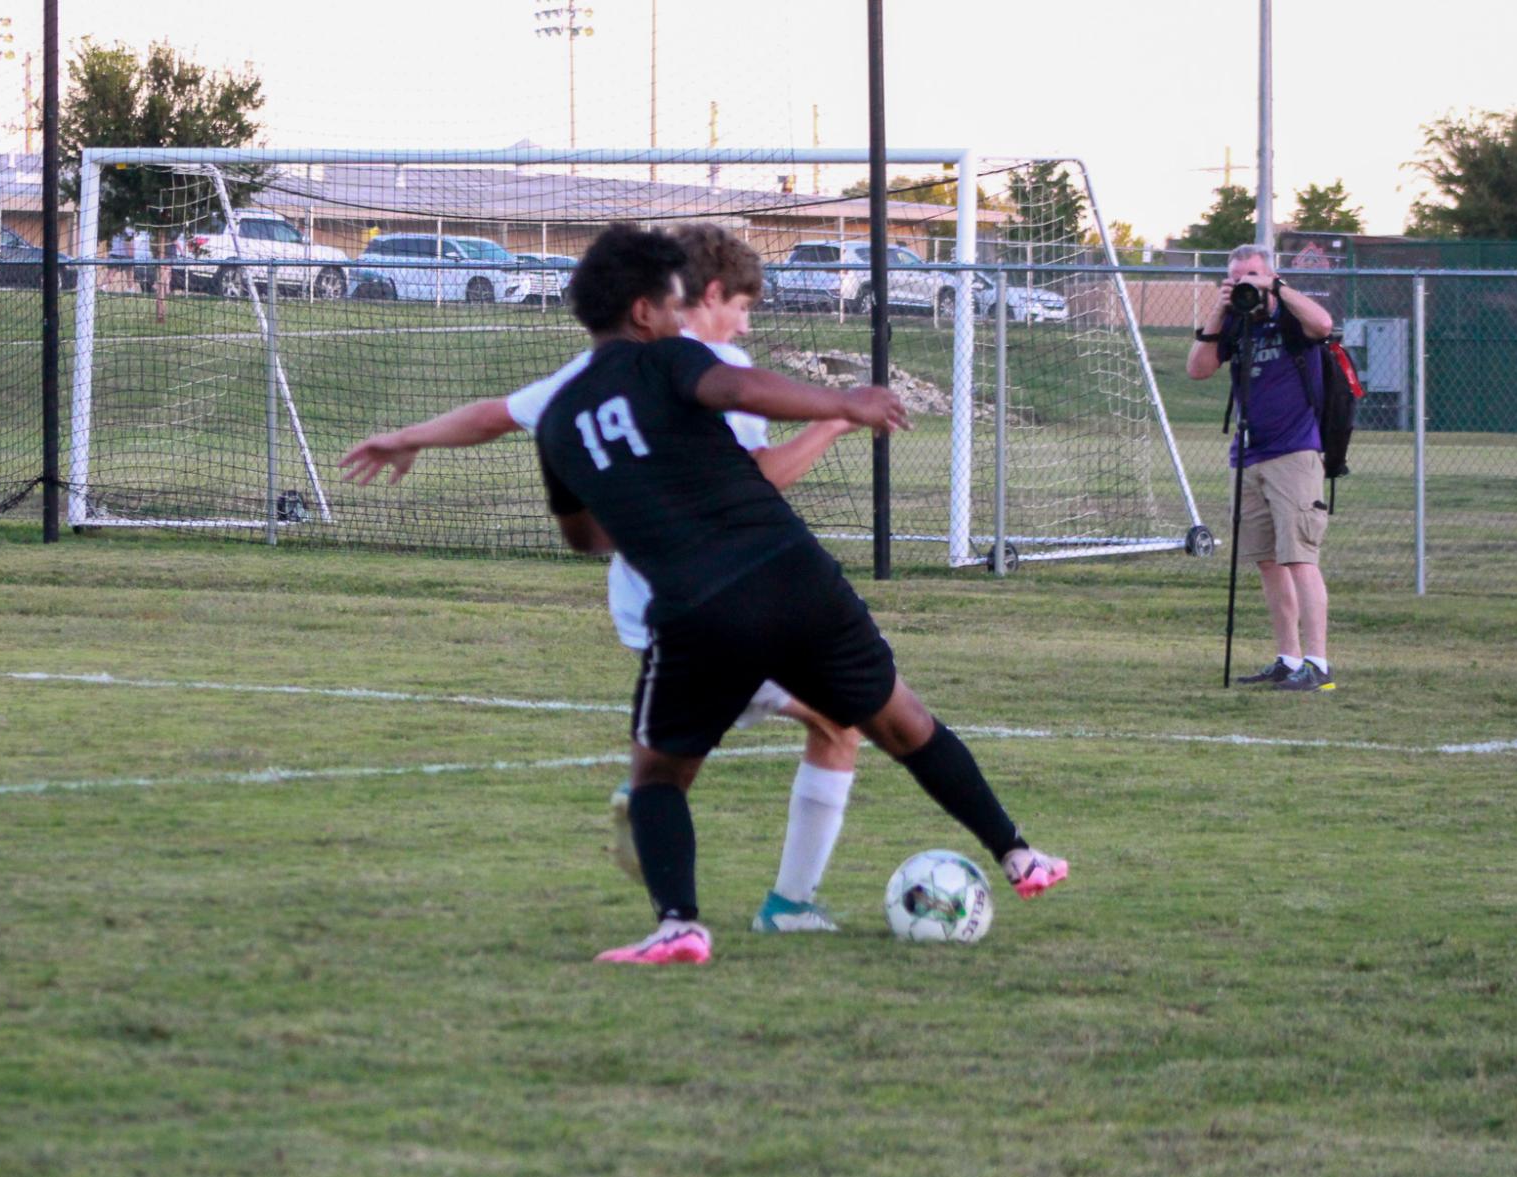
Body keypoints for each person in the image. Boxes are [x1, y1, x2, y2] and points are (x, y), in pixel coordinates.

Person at [361, 222, 1066, 966]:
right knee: (902, 722)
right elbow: (734, 385)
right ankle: (1017, 854)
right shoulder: (674, 359)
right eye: (672, 302)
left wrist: (642, 506)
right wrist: (842, 404)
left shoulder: (561, 418)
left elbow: (583, 538)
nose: (682, 313)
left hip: (698, 612)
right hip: (793, 575)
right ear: (643, 312)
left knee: (657, 778)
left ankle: (678, 926)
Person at [340, 224, 860, 933]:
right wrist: (835, 419)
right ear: (702, 296)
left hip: (646, 604)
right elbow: (760, 480)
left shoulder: (598, 372)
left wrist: (405, 437)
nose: (745, 321)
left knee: (697, 742)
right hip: (712, 604)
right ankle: (784, 903)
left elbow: (496, 415)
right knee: (836, 722)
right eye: (741, 305)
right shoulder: (713, 369)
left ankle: (657, 809)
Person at [1186, 242, 1339, 692]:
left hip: (1295, 452)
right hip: (1250, 454)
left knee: (1301, 559)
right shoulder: (1235, 320)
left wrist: (1276, 287)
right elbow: (1198, 369)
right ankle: (1288, 658)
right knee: (1268, 562)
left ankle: (1318, 663)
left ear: (1270, 274)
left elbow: (1324, 325)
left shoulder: (1292, 315)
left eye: (1252, 273)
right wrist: (1220, 309)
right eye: (1237, 276)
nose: (1245, 283)